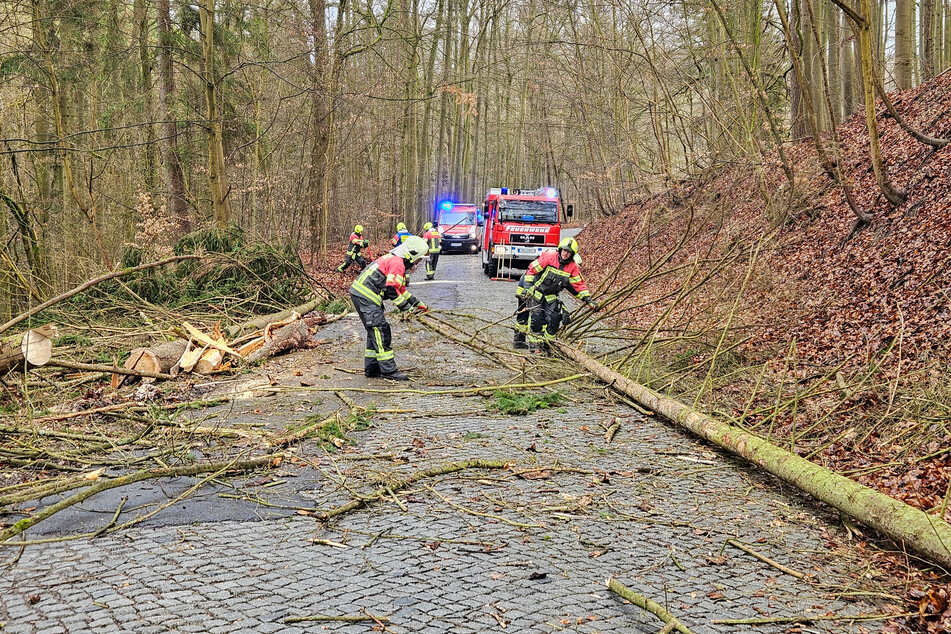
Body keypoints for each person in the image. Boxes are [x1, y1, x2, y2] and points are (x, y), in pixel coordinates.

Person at [350, 235, 430, 380]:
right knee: (380, 330)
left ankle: (372, 369)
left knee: (375, 331)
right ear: (411, 255)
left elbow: (401, 290)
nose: (416, 264)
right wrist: (407, 309)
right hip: (366, 296)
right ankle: (389, 371)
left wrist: (417, 303)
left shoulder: (394, 260)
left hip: (363, 295)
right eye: (418, 260)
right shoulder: (397, 263)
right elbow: (392, 290)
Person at [514, 237, 599, 351]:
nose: (565, 254)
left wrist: (588, 299)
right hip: (531, 288)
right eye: (564, 250)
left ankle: (547, 346)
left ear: (572, 255)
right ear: (560, 249)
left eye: (568, 252)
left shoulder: (572, 267)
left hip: (548, 294)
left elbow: (577, 286)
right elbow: (531, 271)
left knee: (553, 318)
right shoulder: (549, 257)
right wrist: (527, 289)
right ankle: (525, 343)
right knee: (530, 316)